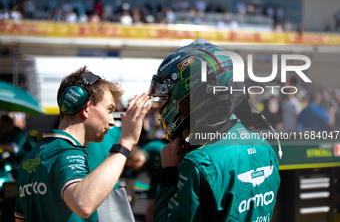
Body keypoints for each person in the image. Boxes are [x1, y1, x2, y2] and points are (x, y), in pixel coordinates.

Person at [148, 38, 281, 222]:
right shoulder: (265, 149)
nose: (163, 105)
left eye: (167, 96)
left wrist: (169, 172)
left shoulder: (199, 164)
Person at [14, 66, 151, 222]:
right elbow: (83, 204)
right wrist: (126, 142)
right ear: (85, 107)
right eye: (108, 109)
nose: (112, 121)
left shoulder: (29, 158)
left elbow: (20, 219)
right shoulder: (68, 153)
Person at [126, 140, 166, 222]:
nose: (132, 169)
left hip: (169, 176)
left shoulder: (157, 150)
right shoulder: (135, 164)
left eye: (133, 166)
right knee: (151, 206)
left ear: (139, 159)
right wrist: (126, 206)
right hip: (156, 179)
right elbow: (130, 188)